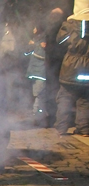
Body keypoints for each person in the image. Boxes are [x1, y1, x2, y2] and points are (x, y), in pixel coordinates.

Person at [54, 0, 89, 137]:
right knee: (85, 99)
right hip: (87, 69)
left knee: (65, 97)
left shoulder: (70, 25)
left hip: (70, 67)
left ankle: (61, 128)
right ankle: (85, 129)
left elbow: (60, 41)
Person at [25, 22, 47, 125]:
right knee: (36, 94)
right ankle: (37, 114)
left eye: (34, 27)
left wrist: (35, 45)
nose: (33, 29)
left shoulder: (44, 40)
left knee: (39, 94)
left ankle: (38, 115)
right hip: (33, 72)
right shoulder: (35, 40)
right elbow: (26, 52)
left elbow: (42, 55)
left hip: (40, 72)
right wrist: (30, 45)